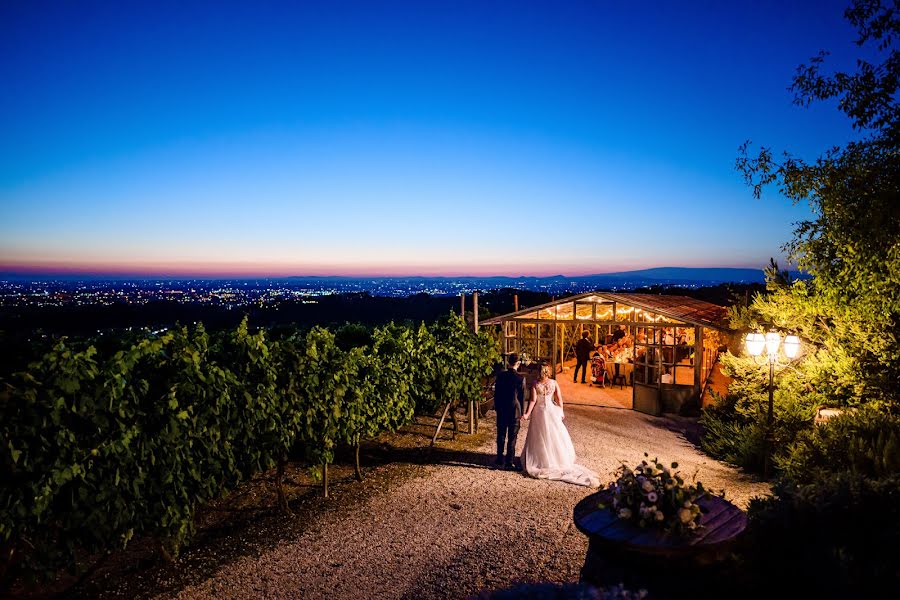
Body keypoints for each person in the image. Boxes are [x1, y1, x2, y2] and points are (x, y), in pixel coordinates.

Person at [521, 362, 600, 487]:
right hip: (551, 411)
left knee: (540, 436)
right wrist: (561, 411)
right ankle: (555, 459)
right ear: (548, 371)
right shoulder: (554, 383)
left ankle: (542, 460)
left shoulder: (536, 384)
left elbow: (532, 401)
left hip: (539, 412)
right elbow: (559, 398)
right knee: (554, 436)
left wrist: (527, 414)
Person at [493, 353, 527, 470]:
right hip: (514, 409)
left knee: (501, 434)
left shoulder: (500, 376)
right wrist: (522, 411)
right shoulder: (520, 378)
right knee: (512, 437)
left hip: (502, 407)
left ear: (508, 362)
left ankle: (499, 458)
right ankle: (509, 461)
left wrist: (496, 406)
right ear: (518, 364)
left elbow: (496, 393)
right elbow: (522, 397)